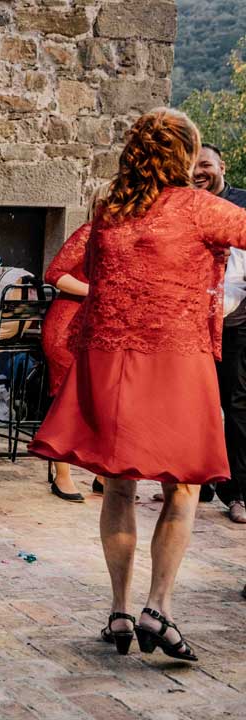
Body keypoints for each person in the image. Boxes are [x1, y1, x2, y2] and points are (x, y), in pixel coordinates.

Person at [30, 108, 246, 662]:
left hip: (110, 358)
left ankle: (120, 610)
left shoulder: (109, 210)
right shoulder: (200, 208)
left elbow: (98, 278)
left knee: (119, 486)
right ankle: (158, 606)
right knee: (183, 487)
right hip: (176, 358)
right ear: (183, 154)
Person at [41, 188, 111, 503]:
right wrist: (96, 291)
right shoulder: (88, 232)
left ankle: (102, 473)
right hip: (67, 326)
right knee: (66, 402)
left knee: (104, 401)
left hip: (97, 329)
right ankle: (62, 475)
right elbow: (54, 273)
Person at [193, 143, 246, 522]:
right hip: (194, 325)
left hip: (237, 324)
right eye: (192, 166)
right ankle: (199, 481)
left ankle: (238, 492)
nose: (198, 172)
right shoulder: (187, 206)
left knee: (238, 407)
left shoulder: (242, 204)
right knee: (198, 406)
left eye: (205, 164)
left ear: (222, 166)